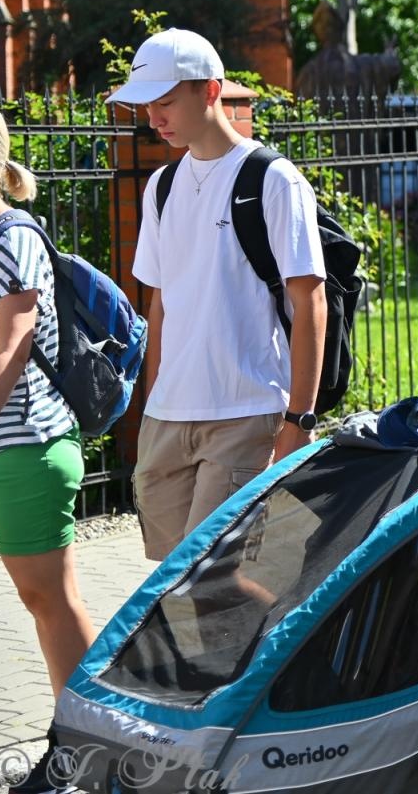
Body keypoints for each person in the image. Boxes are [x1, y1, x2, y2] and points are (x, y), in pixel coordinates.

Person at [114, 29, 327, 562]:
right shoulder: (160, 185)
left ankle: (277, 645)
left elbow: (310, 302)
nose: (154, 118)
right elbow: (161, 303)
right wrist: (153, 403)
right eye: (146, 105)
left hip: (245, 412)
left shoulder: (273, 179)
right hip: (167, 417)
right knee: (167, 586)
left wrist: (299, 422)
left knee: (218, 581)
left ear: (210, 91)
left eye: (165, 101)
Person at [0, 103, 94, 794]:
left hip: (27, 439)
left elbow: (15, 346)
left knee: (49, 599)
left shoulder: (11, 236)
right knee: (45, 597)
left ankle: (85, 748)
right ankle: (80, 745)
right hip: (5, 441)